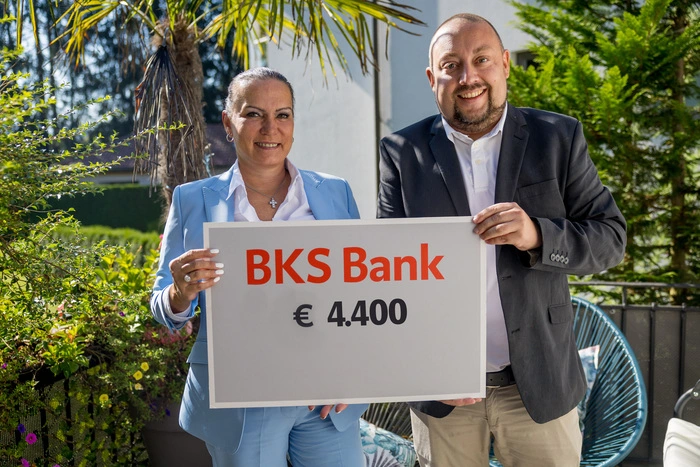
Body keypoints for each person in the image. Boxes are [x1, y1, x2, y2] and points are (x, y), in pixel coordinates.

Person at [377, 13, 626, 467]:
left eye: (482, 59)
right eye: (451, 65)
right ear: (433, 79)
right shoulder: (400, 153)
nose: (467, 77)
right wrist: (423, 368)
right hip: (443, 390)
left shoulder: (557, 137)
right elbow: (388, 272)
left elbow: (610, 238)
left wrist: (537, 235)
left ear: (505, 64)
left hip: (540, 382)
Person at [151, 67, 367, 467]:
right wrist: (181, 292)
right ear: (228, 123)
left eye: (282, 114)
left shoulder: (335, 192)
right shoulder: (192, 199)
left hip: (325, 394)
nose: (270, 128)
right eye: (253, 114)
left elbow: (361, 291)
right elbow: (164, 309)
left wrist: (351, 368)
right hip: (240, 398)